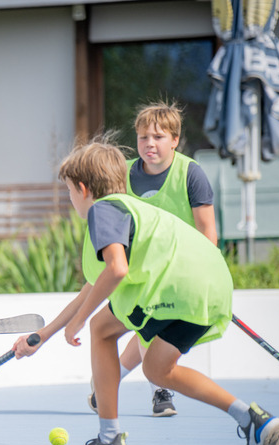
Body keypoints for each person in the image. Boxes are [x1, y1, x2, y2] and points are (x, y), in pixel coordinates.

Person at [14, 138, 279, 445]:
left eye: (69, 191)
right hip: (207, 289)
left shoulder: (104, 209)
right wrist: (44, 334)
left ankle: (109, 442)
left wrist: (80, 322)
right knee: (158, 370)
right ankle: (252, 419)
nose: (71, 199)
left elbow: (116, 269)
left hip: (172, 291)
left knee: (100, 329)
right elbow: (92, 286)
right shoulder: (133, 209)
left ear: (83, 188)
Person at [88, 102, 218, 417]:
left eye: (159, 137)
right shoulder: (125, 174)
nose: (150, 144)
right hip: (140, 269)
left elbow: (208, 233)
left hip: (182, 272)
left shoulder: (191, 174)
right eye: (144, 137)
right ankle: (155, 388)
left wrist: (208, 277)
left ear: (175, 140)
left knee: (147, 327)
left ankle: (134, 384)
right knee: (141, 325)